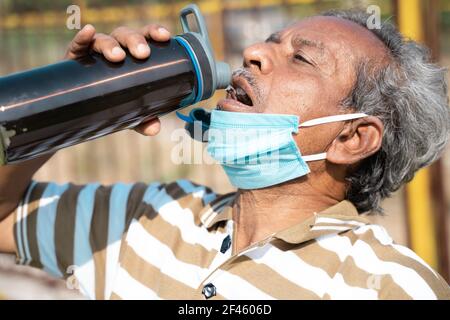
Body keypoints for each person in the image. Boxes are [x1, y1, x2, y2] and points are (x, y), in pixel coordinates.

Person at [0, 10, 449, 300]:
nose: (253, 53)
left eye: (302, 59)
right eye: (270, 41)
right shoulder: (149, 216)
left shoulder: (391, 284)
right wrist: (69, 103)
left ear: (351, 139)